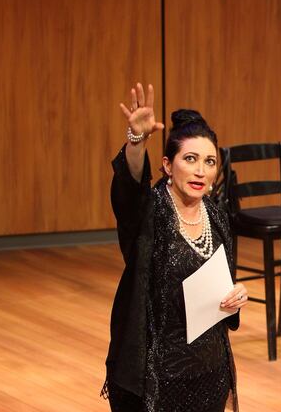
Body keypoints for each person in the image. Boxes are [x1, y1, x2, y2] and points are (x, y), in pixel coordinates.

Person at [102, 83, 249, 411]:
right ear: (168, 165)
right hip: (157, 375)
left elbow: (222, 283)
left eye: (210, 161)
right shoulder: (148, 213)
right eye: (191, 159)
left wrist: (236, 295)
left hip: (210, 368)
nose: (201, 170)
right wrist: (136, 142)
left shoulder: (215, 213)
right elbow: (128, 189)